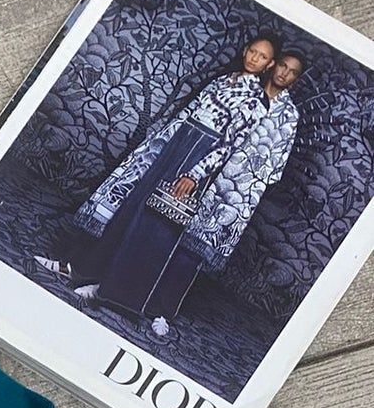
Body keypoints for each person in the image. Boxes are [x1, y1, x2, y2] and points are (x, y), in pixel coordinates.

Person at [33, 34, 303, 338]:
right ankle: (80, 270)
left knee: (154, 226)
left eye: (262, 56)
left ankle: (111, 291)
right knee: (130, 208)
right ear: (245, 51)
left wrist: (195, 173)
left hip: (200, 154)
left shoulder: (256, 100)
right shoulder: (224, 80)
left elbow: (229, 145)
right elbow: (188, 113)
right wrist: (160, 145)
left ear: (268, 64)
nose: (254, 58)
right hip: (178, 142)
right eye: (252, 51)